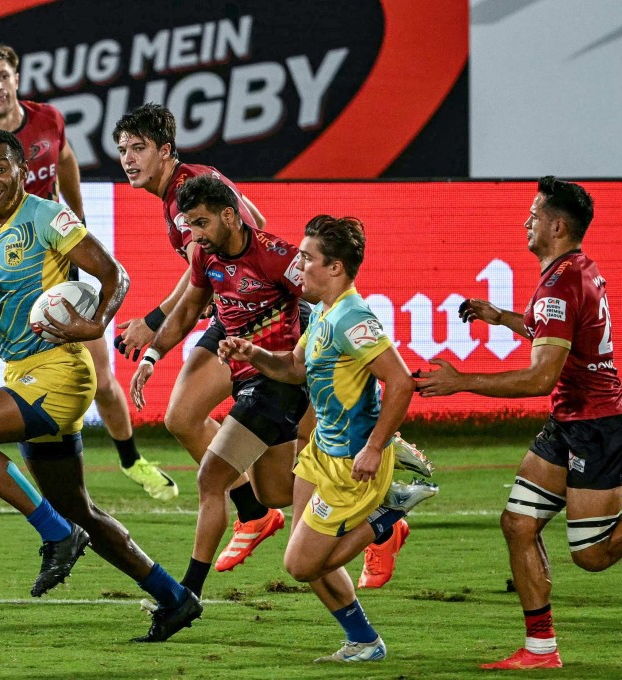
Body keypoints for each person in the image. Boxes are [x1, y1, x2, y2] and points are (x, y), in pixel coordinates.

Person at [415, 176, 622, 670]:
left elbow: (540, 377)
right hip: (571, 422)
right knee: (518, 523)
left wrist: (459, 381)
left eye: (533, 216)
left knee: (592, 554)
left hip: (599, 429)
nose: (525, 223)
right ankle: (540, 649)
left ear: (556, 225)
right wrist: (498, 316)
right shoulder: (572, 272)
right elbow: (548, 329)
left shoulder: (562, 282)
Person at [112, 103, 433, 589]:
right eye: (122, 151)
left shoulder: (187, 190)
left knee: (294, 436)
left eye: (138, 149)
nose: (129, 159)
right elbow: (223, 250)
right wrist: (166, 337)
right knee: (239, 451)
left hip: (263, 320)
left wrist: (155, 322)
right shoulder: (186, 190)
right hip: (233, 312)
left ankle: (375, 495)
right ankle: (262, 513)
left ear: (165, 151)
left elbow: (251, 239)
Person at [0, 130, 200, 643]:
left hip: (62, 373)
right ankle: (174, 598)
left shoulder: (47, 216)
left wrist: (97, 326)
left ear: (22, 172)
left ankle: (56, 536)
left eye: (2, 168)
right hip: (21, 373)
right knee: (80, 510)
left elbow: (114, 275)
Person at [0, 44, 176, 515]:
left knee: (103, 378)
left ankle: (132, 461)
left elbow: (66, 166)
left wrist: (79, 227)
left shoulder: (49, 122)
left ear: (17, 79)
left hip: (50, 270)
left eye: (4, 75)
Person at [219, 214, 438, 663]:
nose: (298, 265)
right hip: (321, 450)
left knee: (300, 565)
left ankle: (387, 511)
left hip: (350, 466)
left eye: (307, 258)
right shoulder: (322, 311)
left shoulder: (353, 317)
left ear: (335, 268)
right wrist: (253, 353)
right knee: (312, 555)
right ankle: (365, 642)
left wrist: (375, 448)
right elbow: (295, 369)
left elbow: (399, 382)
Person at [129, 174, 309, 601]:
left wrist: (307, 360)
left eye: (202, 224)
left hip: (273, 385)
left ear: (230, 215)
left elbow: (327, 300)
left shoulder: (276, 255)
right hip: (250, 379)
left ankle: (184, 597)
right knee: (277, 492)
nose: (195, 235)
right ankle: (381, 518)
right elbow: (189, 309)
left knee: (211, 479)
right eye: (189, 225)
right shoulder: (205, 257)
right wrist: (152, 357)